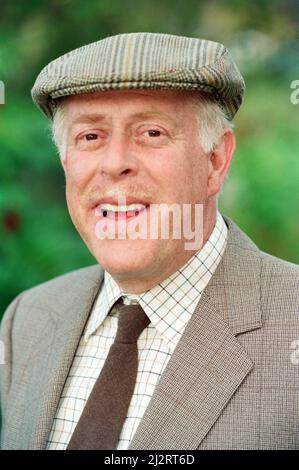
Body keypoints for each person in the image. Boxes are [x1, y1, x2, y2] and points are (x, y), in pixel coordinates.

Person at [1, 32, 299, 450]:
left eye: (152, 133)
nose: (116, 163)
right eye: (90, 137)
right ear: (66, 162)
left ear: (215, 161)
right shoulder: (27, 320)